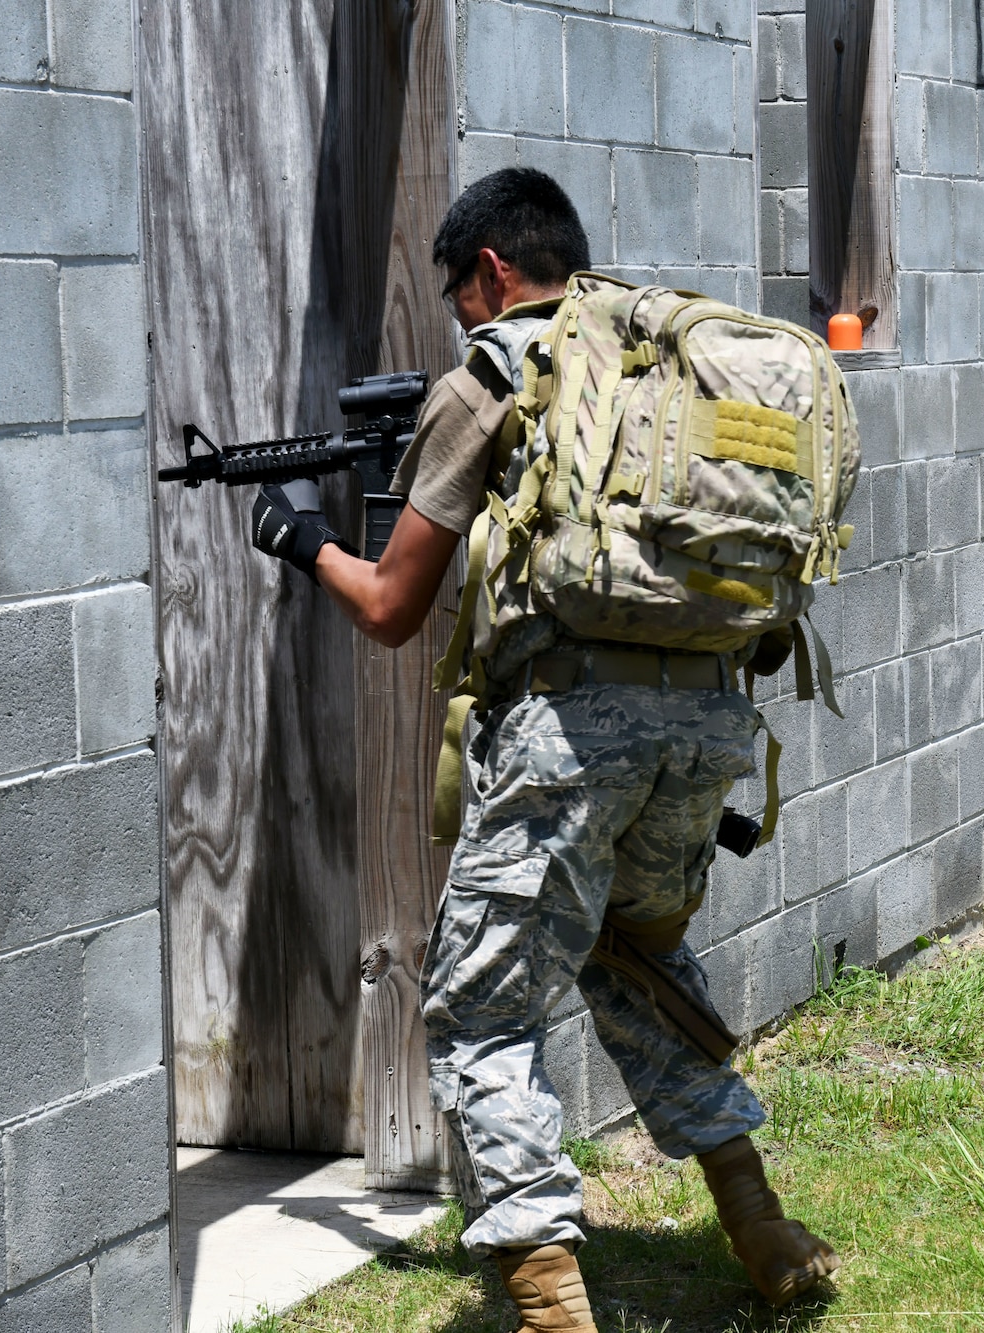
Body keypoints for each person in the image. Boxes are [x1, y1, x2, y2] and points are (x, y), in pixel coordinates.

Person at [248, 168, 838, 1330]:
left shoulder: (491, 374)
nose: (463, 321)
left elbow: (387, 608)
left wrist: (303, 540)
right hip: (710, 718)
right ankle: (761, 1224)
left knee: (478, 1007)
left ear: (490, 272)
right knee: (636, 959)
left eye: (461, 298)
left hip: (572, 736)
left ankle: (546, 1295)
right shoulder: (653, 356)